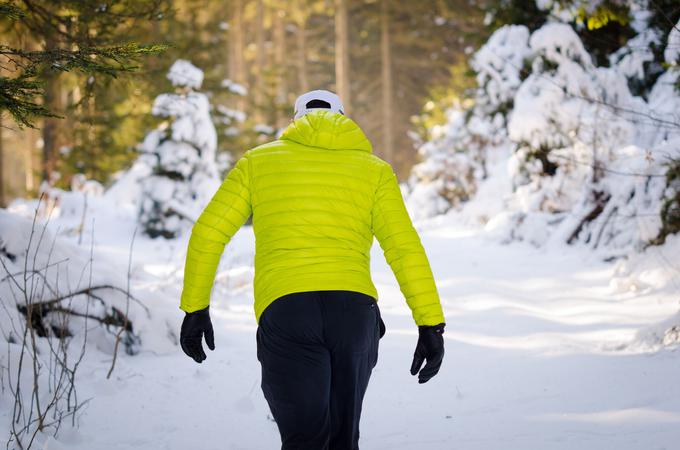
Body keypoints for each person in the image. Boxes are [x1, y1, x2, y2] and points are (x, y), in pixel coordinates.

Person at [179, 89, 446, 450]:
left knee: (304, 440)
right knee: (342, 440)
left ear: (295, 120)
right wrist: (430, 323)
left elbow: (208, 233)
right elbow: (404, 248)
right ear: (342, 117)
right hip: (354, 315)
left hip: (287, 312)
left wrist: (196, 308)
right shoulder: (375, 171)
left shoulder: (258, 162)